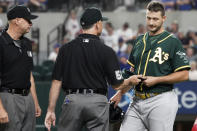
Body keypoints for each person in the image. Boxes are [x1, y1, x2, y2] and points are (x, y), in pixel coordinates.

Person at [44, 7, 142, 131]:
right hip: (97, 101)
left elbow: (56, 82)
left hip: (72, 100)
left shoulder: (65, 49)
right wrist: (130, 81)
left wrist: (51, 110)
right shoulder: (107, 51)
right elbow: (117, 86)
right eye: (101, 22)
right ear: (97, 24)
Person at [111, 1, 191, 131]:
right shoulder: (139, 40)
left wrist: (157, 79)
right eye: (148, 18)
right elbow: (132, 72)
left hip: (160, 99)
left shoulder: (172, 42)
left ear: (164, 19)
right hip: (136, 100)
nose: (151, 22)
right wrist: (120, 92)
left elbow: (184, 74)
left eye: (155, 19)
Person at [0, 5, 41, 131]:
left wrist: (35, 101)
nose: (31, 23)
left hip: (27, 97)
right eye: (28, 20)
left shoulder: (27, 43)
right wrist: (0, 109)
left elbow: (29, 76)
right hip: (8, 97)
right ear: (16, 20)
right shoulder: (1, 42)